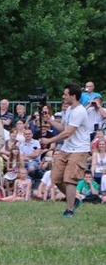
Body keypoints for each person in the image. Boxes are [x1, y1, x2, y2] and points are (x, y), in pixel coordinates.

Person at [41, 83, 92, 218]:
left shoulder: (79, 111)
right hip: (66, 148)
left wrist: (49, 141)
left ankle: (69, 210)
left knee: (70, 179)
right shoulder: (69, 109)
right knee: (56, 178)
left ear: (73, 96)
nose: (63, 96)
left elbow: (68, 133)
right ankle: (75, 200)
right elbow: (64, 127)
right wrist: (50, 121)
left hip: (79, 149)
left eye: (65, 94)